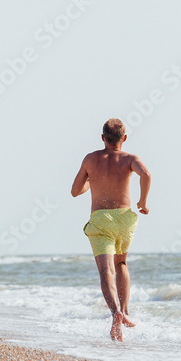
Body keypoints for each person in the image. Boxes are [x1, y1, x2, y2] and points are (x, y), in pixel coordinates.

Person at [71, 118, 151, 341]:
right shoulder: (130, 159)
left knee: (106, 271)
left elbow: (75, 191)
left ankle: (115, 313)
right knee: (122, 263)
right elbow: (146, 174)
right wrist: (143, 202)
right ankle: (125, 311)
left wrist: (92, 181)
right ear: (124, 138)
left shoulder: (91, 159)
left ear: (103, 138)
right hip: (124, 219)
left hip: (100, 220)